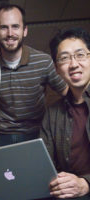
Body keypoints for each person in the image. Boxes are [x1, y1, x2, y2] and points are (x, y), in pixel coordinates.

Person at [0, 4, 68, 148]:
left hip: (38, 133)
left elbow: (69, 94)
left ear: (24, 30)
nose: (10, 33)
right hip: (3, 136)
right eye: (3, 27)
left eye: (15, 26)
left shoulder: (44, 61)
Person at [40, 27, 90, 199]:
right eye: (65, 58)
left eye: (80, 55)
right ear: (57, 68)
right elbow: (44, 167)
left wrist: (85, 184)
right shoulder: (52, 114)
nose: (74, 64)